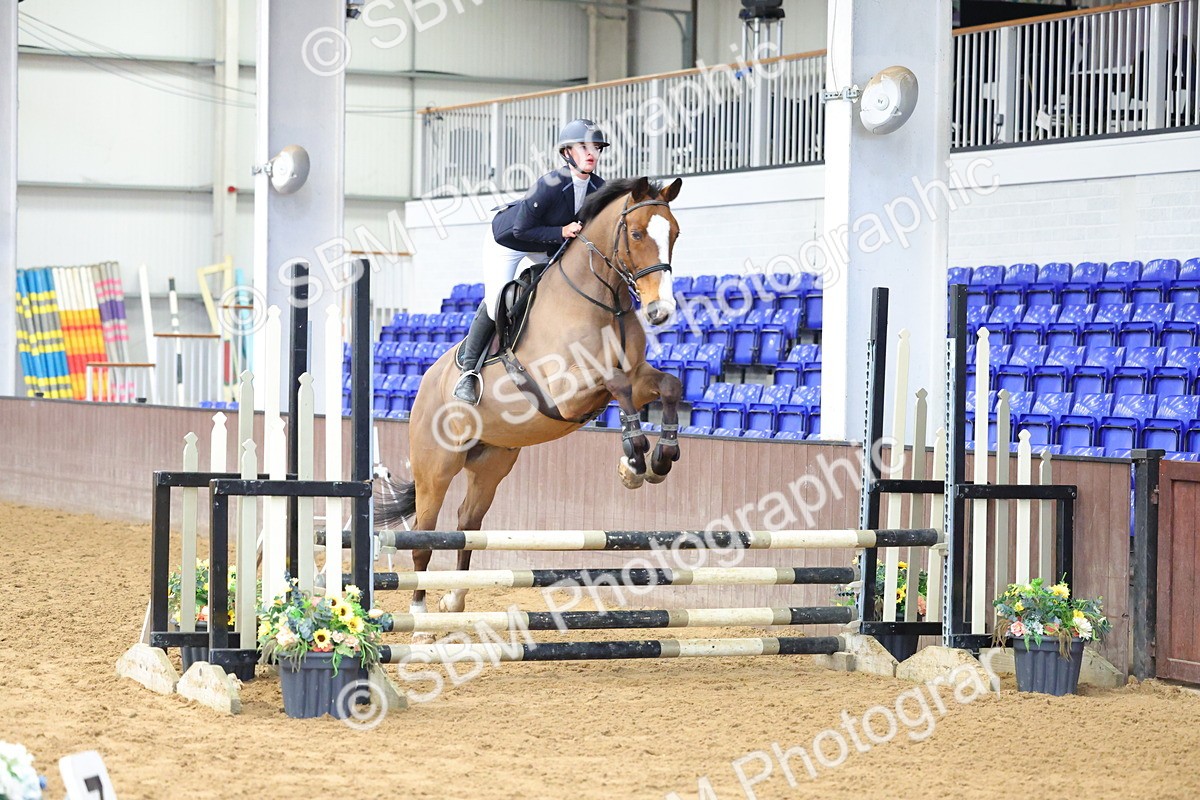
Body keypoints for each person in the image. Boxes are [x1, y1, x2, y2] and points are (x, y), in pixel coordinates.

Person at [453, 118, 609, 404]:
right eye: (583, 147)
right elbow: (521, 230)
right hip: (508, 240)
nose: (591, 153)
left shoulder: (599, 187)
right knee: (496, 301)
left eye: (596, 148)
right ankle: (468, 371)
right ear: (567, 153)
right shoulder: (549, 185)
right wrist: (561, 232)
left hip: (545, 243)